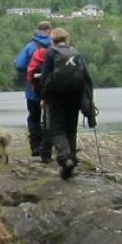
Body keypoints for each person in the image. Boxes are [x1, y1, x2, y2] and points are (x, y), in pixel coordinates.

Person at [27, 28, 98, 180]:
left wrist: (44, 98)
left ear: (53, 40)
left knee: (56, 130)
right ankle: (71, 163)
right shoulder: (76, 53)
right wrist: (89, 101)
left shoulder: (51, 53)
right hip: (75, 98)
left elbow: (45, 78)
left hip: (56, 99)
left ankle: (66, 159)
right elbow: (87, 78)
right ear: (67, 39)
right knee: (71, 129)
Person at [12, 21, 54, 161]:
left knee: (34, 117)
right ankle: (48, 148)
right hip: (52, 89)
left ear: (38, 30)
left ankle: (36, 148)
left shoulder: (30, 46)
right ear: (50, 30)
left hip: (33, 88)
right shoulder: (56, 45)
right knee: (51, 118)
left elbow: (19, 65)